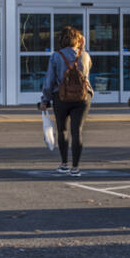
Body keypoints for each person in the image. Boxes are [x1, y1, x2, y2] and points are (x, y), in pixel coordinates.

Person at [40, 25, 92, 176]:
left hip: (61, 96)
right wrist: (83, 46)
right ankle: (75, 167)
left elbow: (49, 80)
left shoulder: (56, 56)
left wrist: (45, 99)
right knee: (77, 131)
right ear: (79, 40)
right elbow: (87, 71)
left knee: (62, 130)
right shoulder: (85, 56)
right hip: (82, 97)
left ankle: (64, 164)